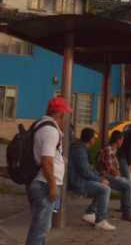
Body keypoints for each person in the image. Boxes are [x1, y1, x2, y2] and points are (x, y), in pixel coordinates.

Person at [26, 97, 69, 245]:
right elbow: (46, 160)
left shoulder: (40, 124)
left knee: (42, 227)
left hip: (40, 182)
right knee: (40, 229)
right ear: (60, 113)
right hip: (45, 184)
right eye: (65, 114)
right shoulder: (51, 130)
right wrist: (52, 185)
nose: (65, 118)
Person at [97, 131, 131, 222]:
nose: (122, 142)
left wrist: (118, 173)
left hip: (112, 175)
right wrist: (117, 174)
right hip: (105, 176)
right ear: (118, 140)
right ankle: (126, 213)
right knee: (127, 186)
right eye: (122, 140)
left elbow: (114, 168)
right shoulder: (108, 149)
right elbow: (110, 168)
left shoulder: (113, 150)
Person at [68, 128, 115, 231]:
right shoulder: (79, 150)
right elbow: (84, 171)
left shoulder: (80, 147)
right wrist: (99, 179)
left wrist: (99, 177)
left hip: (79, 179)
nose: (95, 140)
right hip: (77, 182)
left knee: (104, 186)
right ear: (90, 139)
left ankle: (90, 213)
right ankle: (100, 221)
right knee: (105, 189)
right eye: (94, 137)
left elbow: (87, 169)